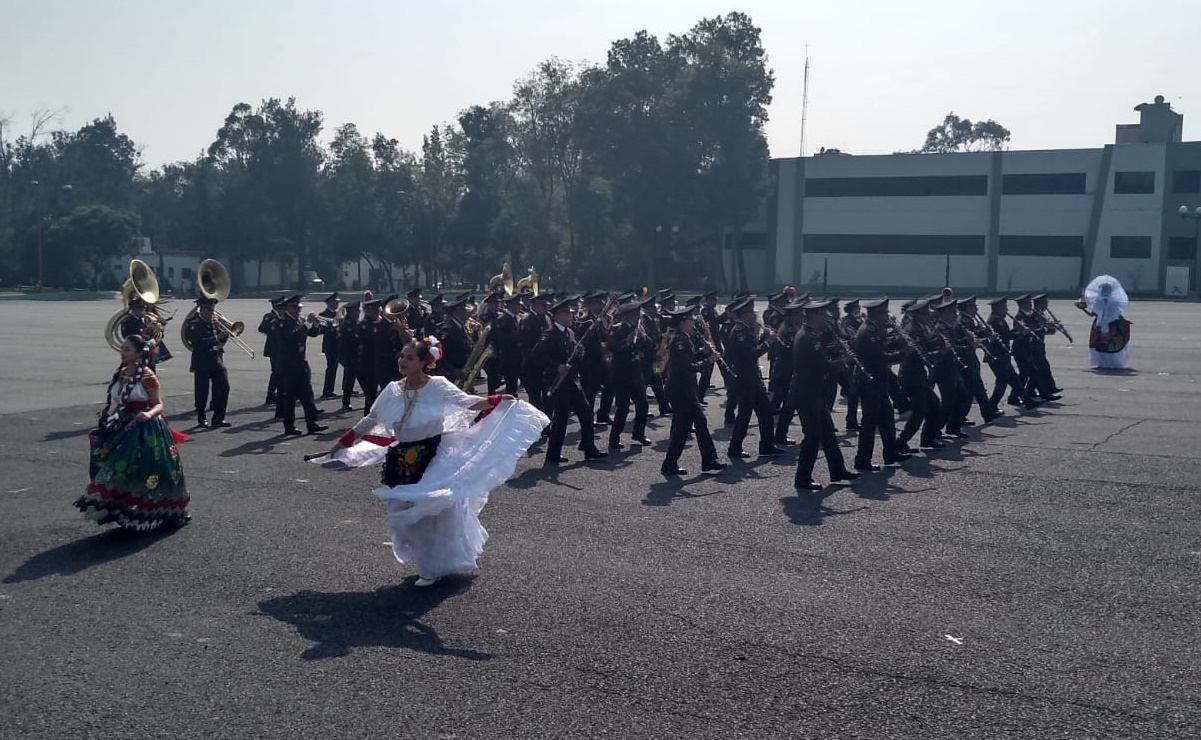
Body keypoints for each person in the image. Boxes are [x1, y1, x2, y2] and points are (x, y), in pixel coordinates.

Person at [316, 339, 549, 586]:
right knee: (403, 514)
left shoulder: (437, 386)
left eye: (409, 358)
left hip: (435, 457)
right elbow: (371, 419)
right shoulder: (393, 389)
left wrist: (498, 399)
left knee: (432, 513)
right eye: (402, 356)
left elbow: (468, 402)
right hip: (403, 459)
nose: (403, 362)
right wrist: (342, 443)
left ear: (423, 363)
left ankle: (431, 567)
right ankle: (428, 560)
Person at [75, 335, 191, 531]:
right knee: (113, 466)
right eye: (122, 348)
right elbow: (118, 402)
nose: (123, 352)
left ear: (138, 353)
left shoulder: (147, 376)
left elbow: (159, 404)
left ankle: (150, 512)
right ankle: (121, 508)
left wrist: (148, 414)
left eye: (127, 349)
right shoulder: (121, 373)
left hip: (146, 429)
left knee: (145, 470)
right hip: (123, 423)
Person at [790, 299, 859, 491]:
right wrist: (844, 360)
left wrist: (834, 351)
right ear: (815, 316)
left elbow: (820, 358)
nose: (827, 320)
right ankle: (802, 478)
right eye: (824, 316)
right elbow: (822, 366)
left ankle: (837, 470)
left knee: (828, 433)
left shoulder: (811, 334)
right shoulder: (809, 337)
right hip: (807, 392)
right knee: (812, 436)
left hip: (813, 391)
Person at [659, 307, 728, 476]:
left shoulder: (684, 338)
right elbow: (686, 368)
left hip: (687, 389)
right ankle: (669, 464)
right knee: (682, 429)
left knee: (701, 423)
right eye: (690, 321)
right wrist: (709, 360)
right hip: (679, 390)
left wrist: (702, 353)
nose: (693, 323)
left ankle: (709, 460)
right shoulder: (679, 341)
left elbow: (689, 359)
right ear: (683, 322)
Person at [183, 296, 231, 428]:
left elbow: (221, 340)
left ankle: (218, 418)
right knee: (202, 392)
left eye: (213, 309)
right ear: (201, 309)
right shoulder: (193, 324)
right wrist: (217, 337)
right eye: (209, 310)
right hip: (202, 361)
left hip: (217, 360)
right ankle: (201, 418)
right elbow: (198, 343)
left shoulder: (215, 322)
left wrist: (226, 334)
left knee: (224, 388)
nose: (212, 312)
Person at [1079, 275, 1132, 370]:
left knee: (1103, 345)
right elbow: (1117, 314)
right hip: (1108, 326)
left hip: (1102, 326)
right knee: (1107, 345)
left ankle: (1104, 363)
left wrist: (1083, 309)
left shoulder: (1098, 302)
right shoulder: (1111, 302)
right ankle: (1110, 363)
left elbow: (1093, 314)